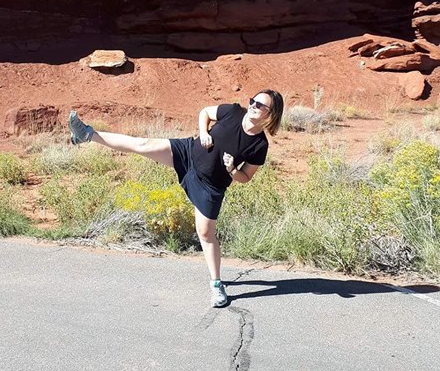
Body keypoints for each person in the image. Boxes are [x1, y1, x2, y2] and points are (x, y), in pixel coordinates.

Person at [68, 90, 284, 308]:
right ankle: (87, 134)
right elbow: (205, 113)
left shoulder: (259, 145)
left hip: (210, 186)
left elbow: (245, 177)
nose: (253, 106)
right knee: (142, 145)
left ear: (270, 114)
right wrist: (204, 133)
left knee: (206, 234)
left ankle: (216, 284)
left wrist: (231, 170)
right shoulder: (234, 112)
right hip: (188, 152)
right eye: (253, 101)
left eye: (260, 105)